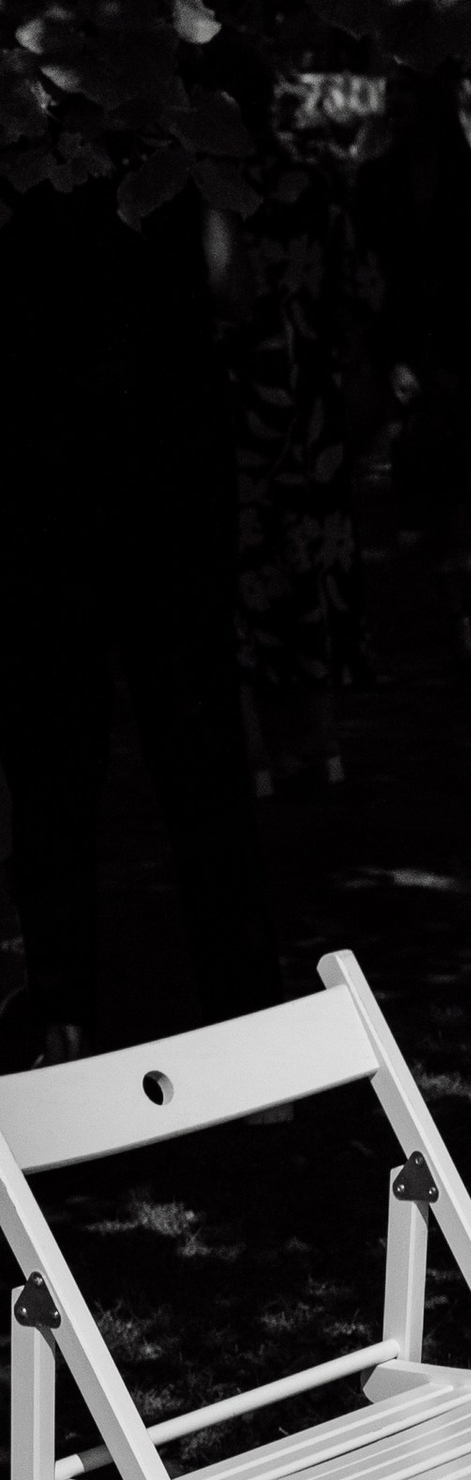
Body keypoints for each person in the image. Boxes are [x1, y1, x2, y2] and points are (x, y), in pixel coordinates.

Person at [0, 174, 278, 1059]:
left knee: (57, 761)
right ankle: (236, 1021)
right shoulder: (180, 116)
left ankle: (65, 1018)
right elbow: (234, 288)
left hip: (60, 473)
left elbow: (232, 288)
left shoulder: (33, 119)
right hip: (152, 471)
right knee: (195, 753)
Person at [207, 68, 372, 784]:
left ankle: (259, 756)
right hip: (305, 409)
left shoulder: (206, 189)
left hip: (240, 406)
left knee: (243, 575)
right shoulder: (311, 187)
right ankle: (320, 745)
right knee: (303, 571)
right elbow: (352, 298)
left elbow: (230, 296)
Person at [360, 74, 471, 659]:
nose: (395, 104)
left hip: (470, 350)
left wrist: (449, 358)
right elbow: (372, 275)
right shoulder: (376, 182)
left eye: (407, 92)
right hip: (408, 354)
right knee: (433, 487)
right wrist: (397, 357)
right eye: (391, 93)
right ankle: (463, 623)